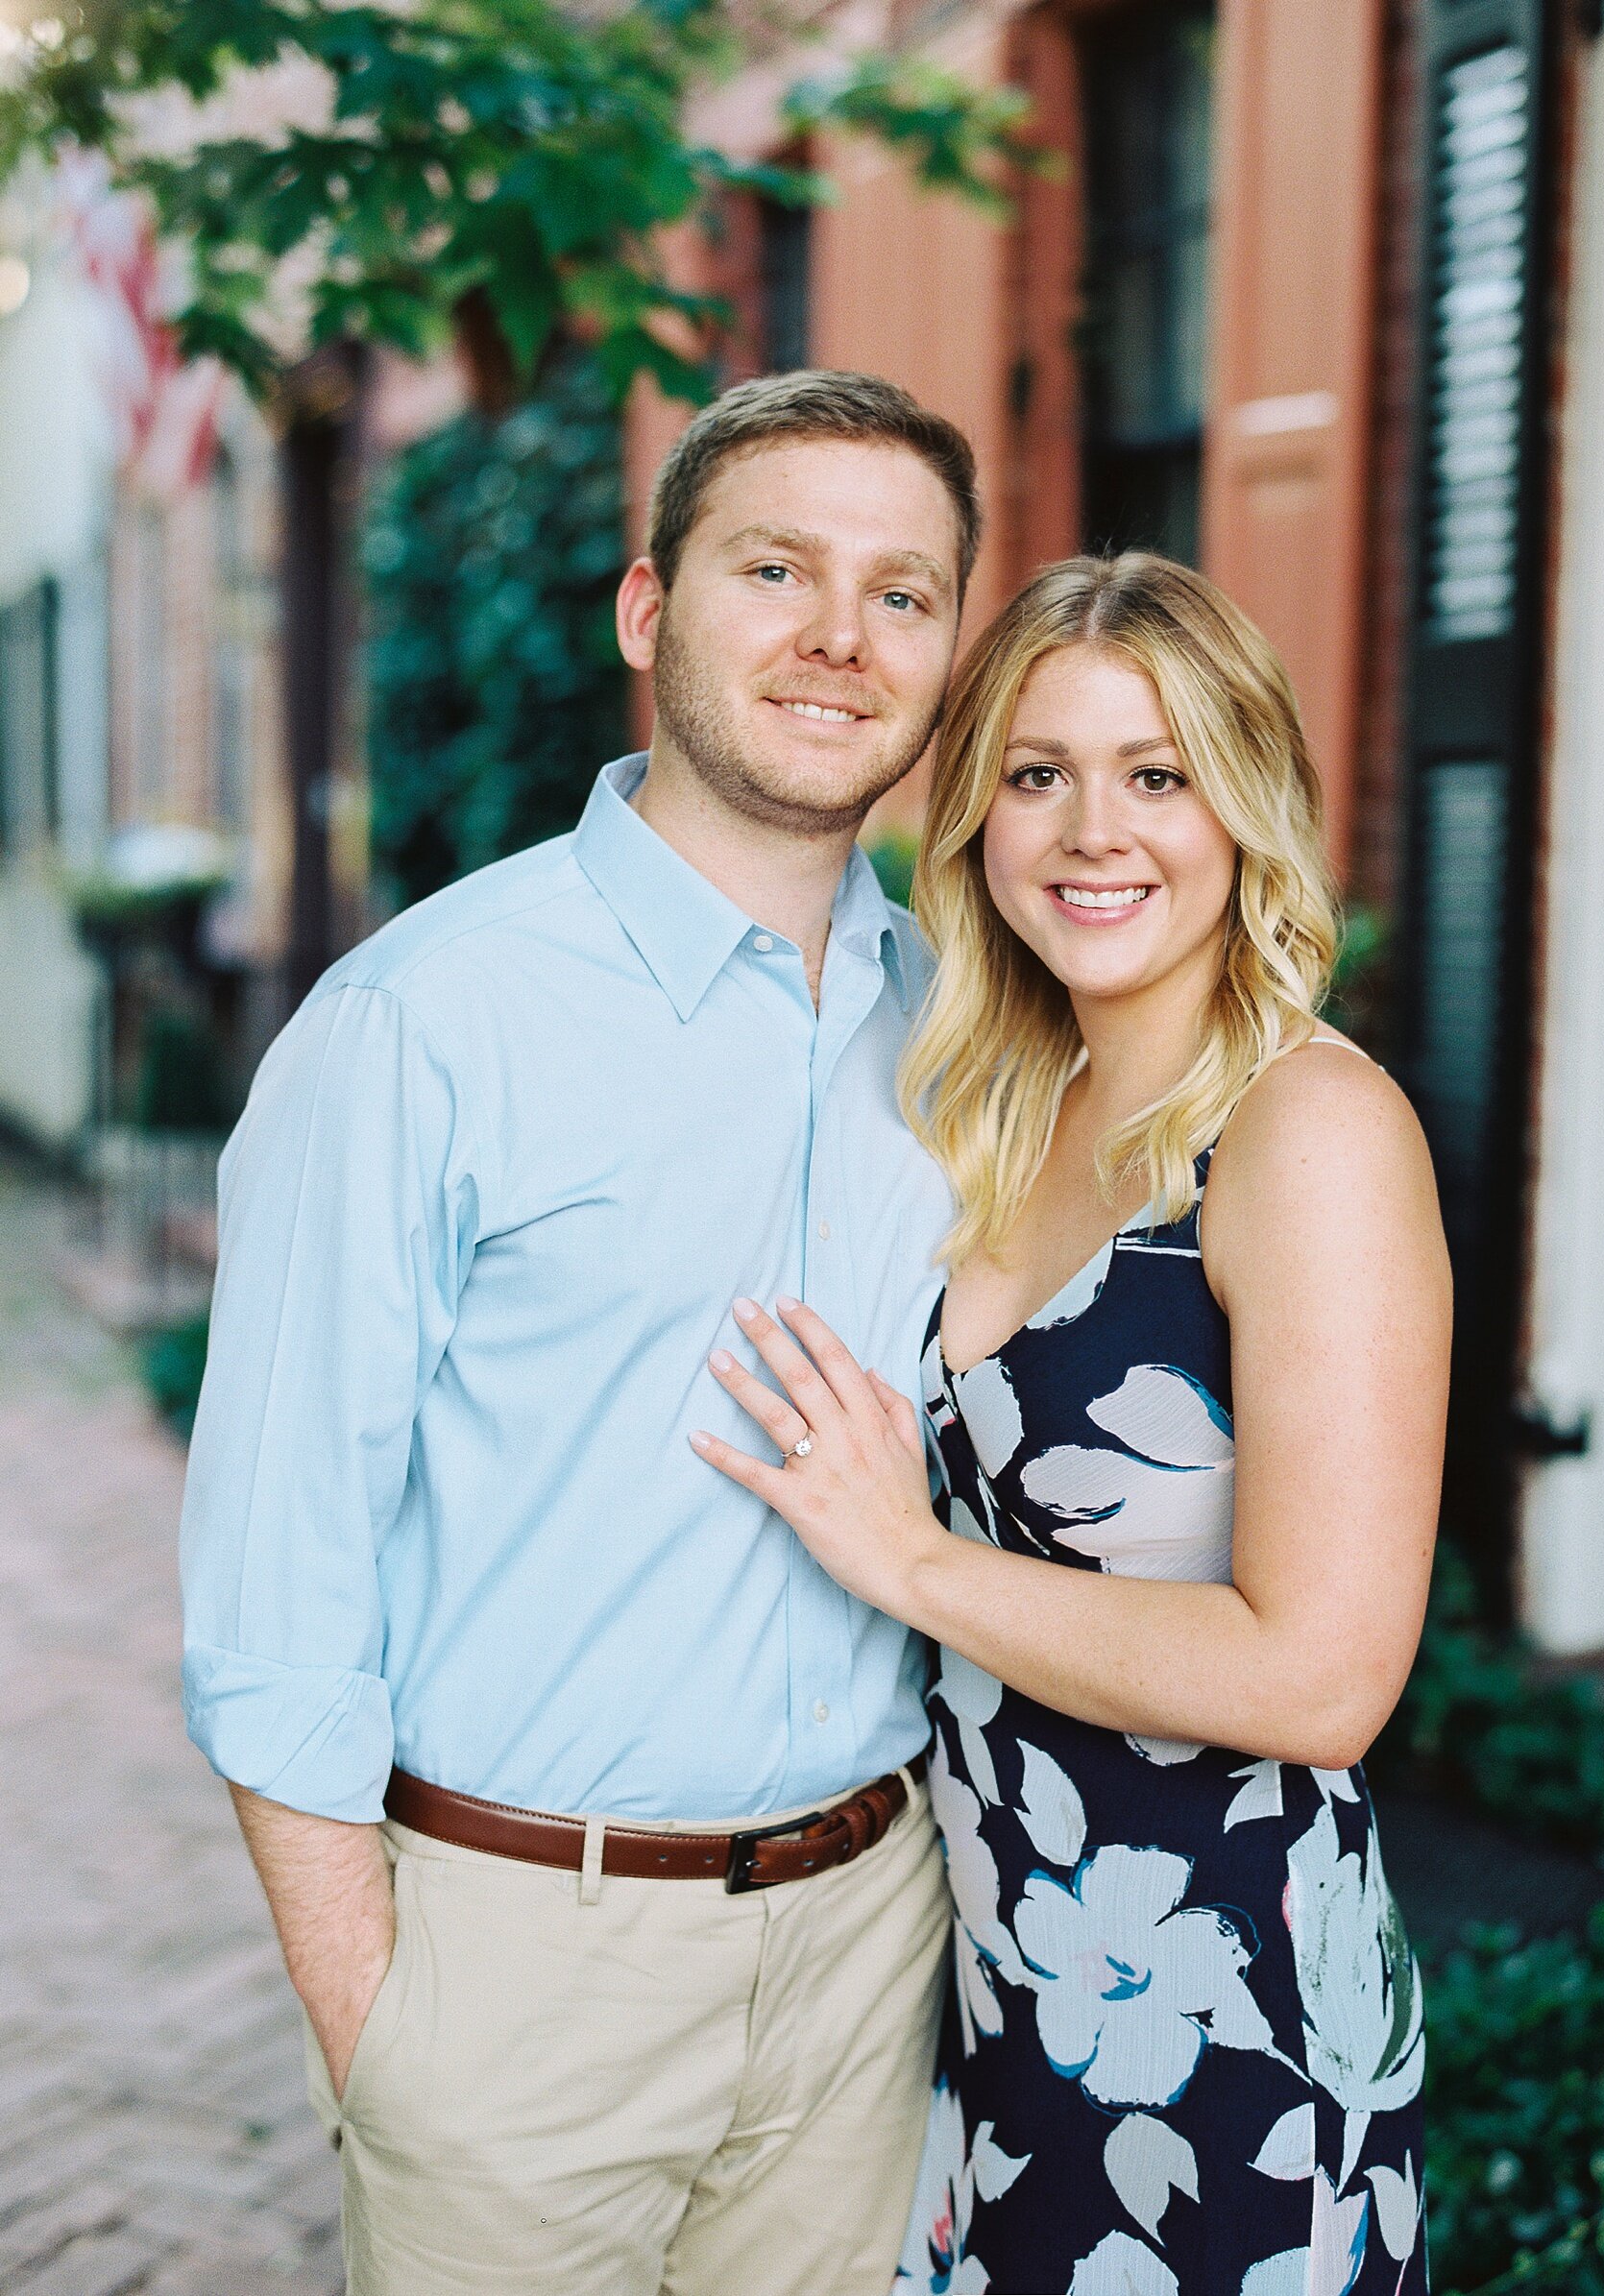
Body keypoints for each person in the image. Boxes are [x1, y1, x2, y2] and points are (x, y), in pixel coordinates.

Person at [179, 369, 981, 2296]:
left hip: (873, 1950)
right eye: (774, 567)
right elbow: (275, 1576)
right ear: (648, 611)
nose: (835, 637)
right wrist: (387, 2031)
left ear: (952, 648)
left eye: (903, 591)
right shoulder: (424, 1024)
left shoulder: (962, 1029)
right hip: (520, 1965)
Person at [694, 552, 1451, 2295]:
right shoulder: (994, 1097)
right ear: (975, 819)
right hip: (993, 1997)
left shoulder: (1303, 1133)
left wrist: (909, 1558)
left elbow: (1327, 1677)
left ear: (1244, 804)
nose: (1092, 829)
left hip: (1226, 2023)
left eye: (1157, 773)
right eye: (1039, 774)